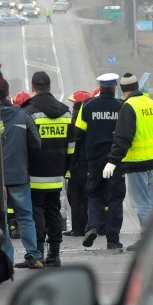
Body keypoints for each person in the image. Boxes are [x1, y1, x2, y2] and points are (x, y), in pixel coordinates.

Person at [106, 72, 153, 251]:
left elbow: (123, 137)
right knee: (149, 202)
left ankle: (148, 239)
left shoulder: (128, 106)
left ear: (122, 89)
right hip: (151, 160)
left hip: (136, 161)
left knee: (141, 204)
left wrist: (112, 160)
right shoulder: (151, 103)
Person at [23, 71, 73, 267]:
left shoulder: (29, 112)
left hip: (35, 173)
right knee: (53, 211)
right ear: (50, 87)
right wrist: (64, 168)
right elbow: (72, 146)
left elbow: (25, 146)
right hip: (56, 173)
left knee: (36, 211)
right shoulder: (66, 111)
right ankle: (55, 254)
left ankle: (38, 254)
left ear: (33, 87)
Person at [75, 74, 125, 251]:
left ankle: (92, 227)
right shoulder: (121, 106)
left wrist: (75, 161)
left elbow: (79, 134)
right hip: (115, 160)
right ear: (114, 87)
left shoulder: (87, 106)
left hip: (94, 160)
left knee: (94, 195)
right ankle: (113, 239)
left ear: (99, 86)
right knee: (115, 198)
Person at [0, 78, 44, 268]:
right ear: (8, 94)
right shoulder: (23, 116)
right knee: (25, 217)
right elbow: (36, 144)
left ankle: (6, 259)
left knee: (1, 220)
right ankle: (34, 256)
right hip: (19, 175)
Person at [63, 90, 92, 237]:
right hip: (87, 163)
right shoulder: (88, 118)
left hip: (75, 164)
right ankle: (88, 225)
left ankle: (78, 228)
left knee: (74, 196)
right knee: (86, 195)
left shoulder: (72, 120)